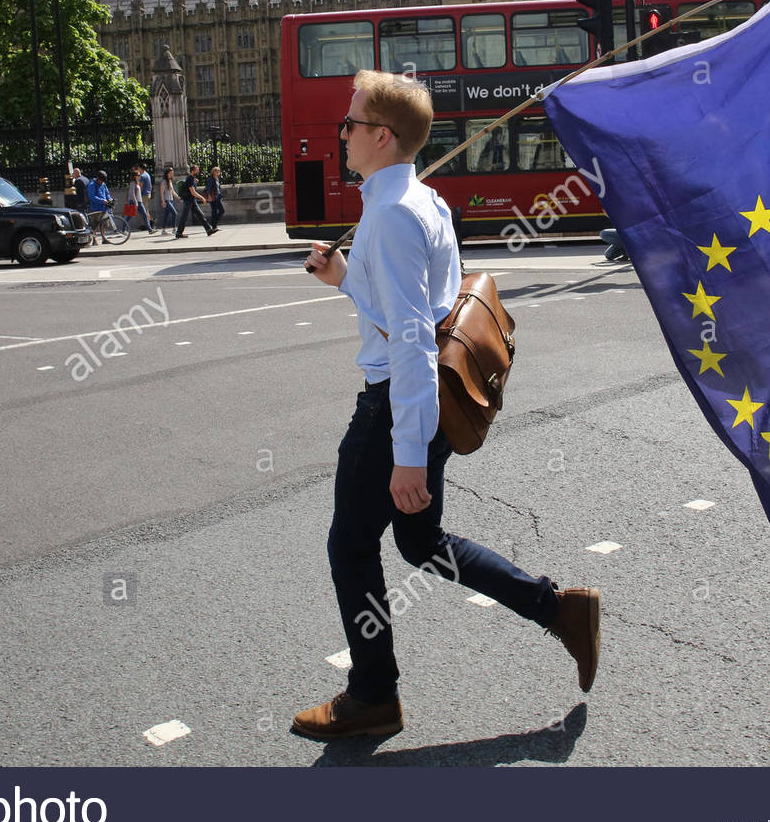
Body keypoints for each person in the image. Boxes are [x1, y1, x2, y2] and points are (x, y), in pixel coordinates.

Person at [294, 69, 601, 740]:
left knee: (350, 547)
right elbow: (412, 317)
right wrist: (347, 279)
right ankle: (557, 610)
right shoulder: (418, 202)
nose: (340, 133)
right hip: (422, 405)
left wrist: (407, 454)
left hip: (396, 410)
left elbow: (409, 344)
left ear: (380, 135)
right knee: (420, 541)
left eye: (349, 124)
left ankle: (373, 696)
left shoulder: (397, 215)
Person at [175, 164, 217, 238]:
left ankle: (209, 230)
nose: (198, 171)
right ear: (193, 171)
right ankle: (179, 233)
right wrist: (202, 198)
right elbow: (193, 192)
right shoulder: (190, 179)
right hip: (188, 201)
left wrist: (195, 182)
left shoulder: (192, 179)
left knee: (200, 215)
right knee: (184, 217)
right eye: (197, 170)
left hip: (192, 201)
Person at [87, 170, 114, 241]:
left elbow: (107, 193)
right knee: (94, 225)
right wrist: (102, 201)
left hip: (104, 207)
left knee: (104, 224)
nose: (101, 182)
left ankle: (104, 239)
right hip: (95, 208)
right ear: (98, 178)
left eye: (103, 181)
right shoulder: (92, 185)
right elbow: (92, 197)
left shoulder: (103, 184)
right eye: (101, 180)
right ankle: (94, 239)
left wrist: (110, 199)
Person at [128, 167, 154, 234]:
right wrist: (136, 202)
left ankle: (150, 230)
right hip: (134, 202)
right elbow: (132, 193)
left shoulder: (137, 183)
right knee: (129, 216)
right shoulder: (132, 183)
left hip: (139, 202)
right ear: (135, 176)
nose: (139, 176)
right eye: (138, 175)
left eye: (139, 175)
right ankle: (122, 229)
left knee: (145, 215)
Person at [159, 166, 180, 234]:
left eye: (172, 173)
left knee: (166, 215)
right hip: (166, 200)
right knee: (174, 213)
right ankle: (174, 229)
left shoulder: (170, 181)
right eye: (170, 173)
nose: (172, 174)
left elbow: (172, 191)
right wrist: (163, 201)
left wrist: (178, 197)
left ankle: (163, 230)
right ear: (167, 173)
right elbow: (161, 192)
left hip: (171, 200)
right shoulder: (164, 181)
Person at [206, 165, 225, 229]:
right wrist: (209, 196)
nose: (218, 173)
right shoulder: (211, 179)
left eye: (219, 171)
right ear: (213, 172)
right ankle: (214, 226)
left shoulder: (217, 179)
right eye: (216, 171)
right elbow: (208, 188)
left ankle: (214, 223)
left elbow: (218, 188)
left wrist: (221, 195)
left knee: (222, 210)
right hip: (213, 197)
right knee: (214, 211)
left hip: (218, 197)